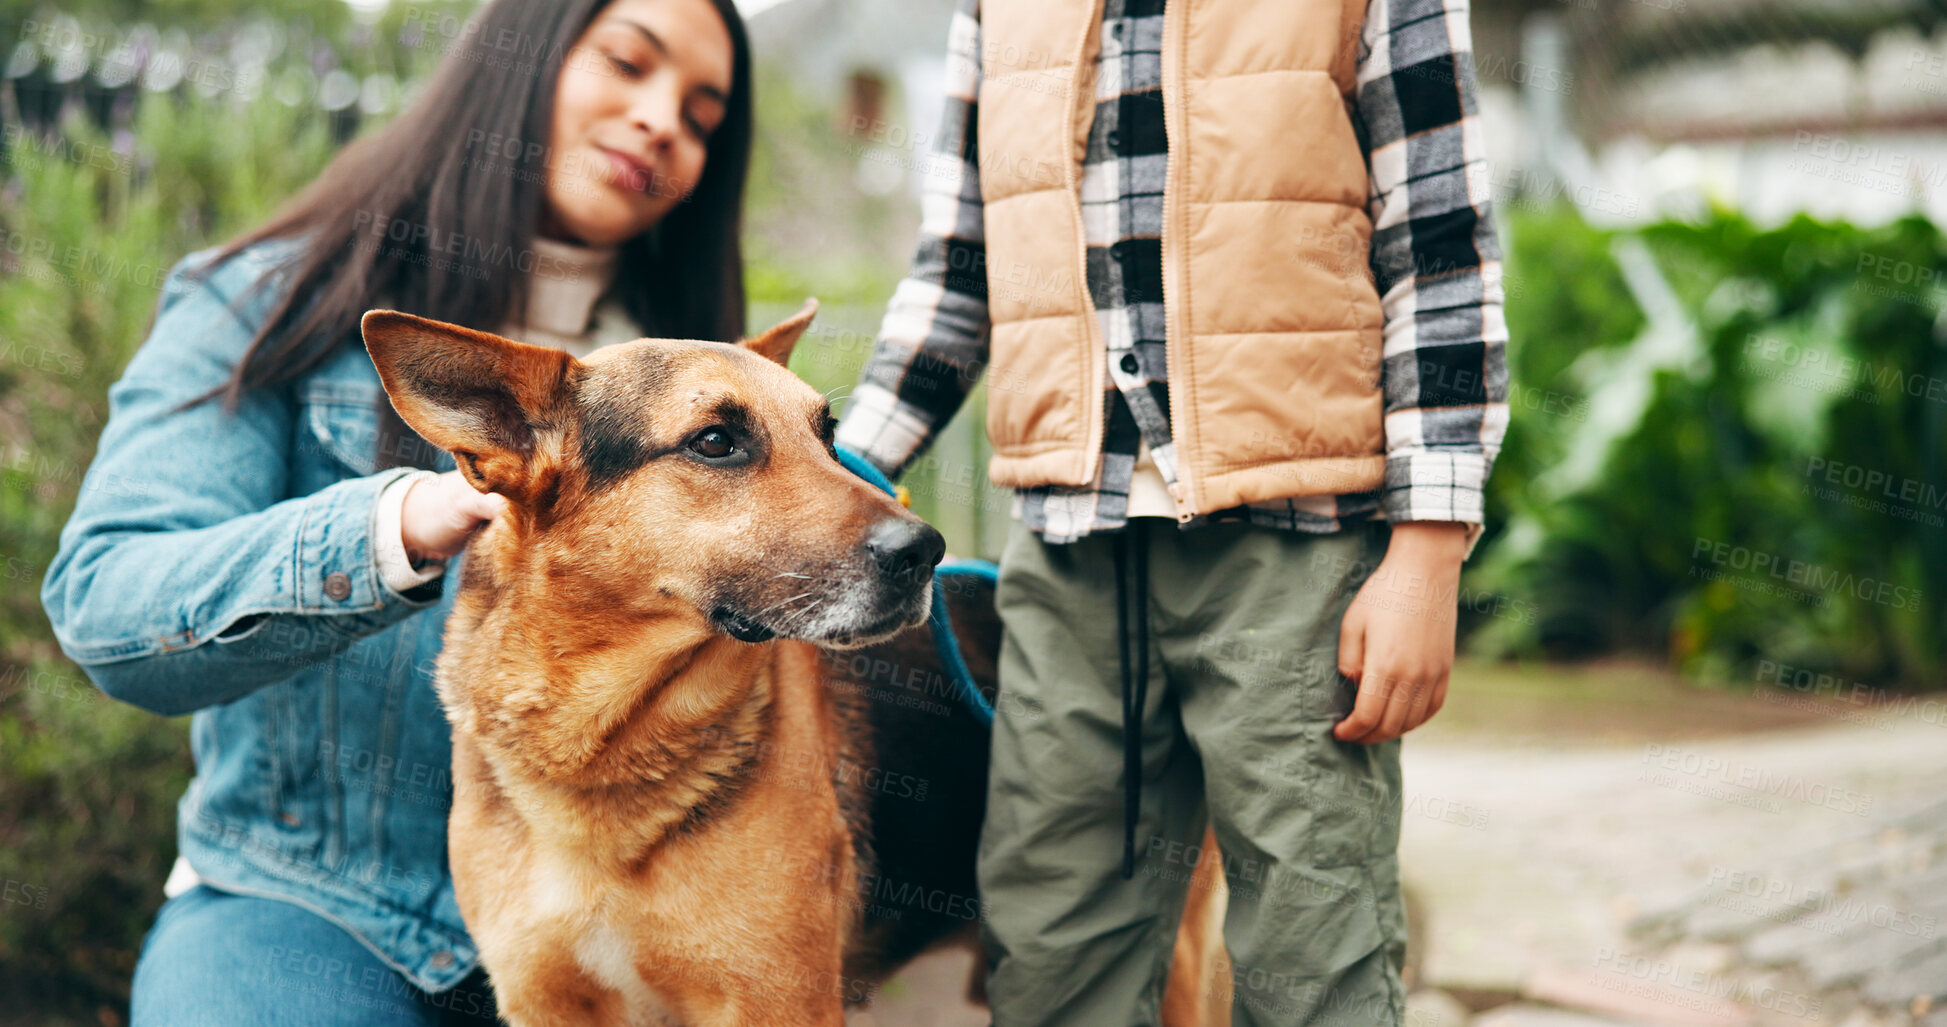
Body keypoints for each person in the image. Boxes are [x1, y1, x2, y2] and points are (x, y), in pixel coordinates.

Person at [39, 0, 750, 1020]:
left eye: (701, 115)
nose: (659, 121)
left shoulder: (705, 388)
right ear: (520, 57)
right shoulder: (267, 302)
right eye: (629, 63)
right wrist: (395, 528)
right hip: (309, 908)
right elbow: (109, 607)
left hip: (614, 920)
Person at [833, 0, 1508, 1022]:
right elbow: (957, 270)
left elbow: (1443, 259)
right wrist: (837, 476)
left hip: (1300, 543)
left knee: (1311, 943)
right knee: (1052, 942)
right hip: (1067, 557)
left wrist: (1426, 553)